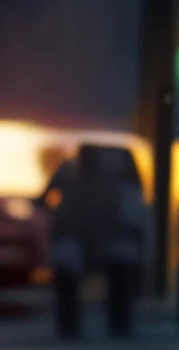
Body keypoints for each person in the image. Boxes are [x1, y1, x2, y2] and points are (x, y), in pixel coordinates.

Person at [44, 143, 146, 339]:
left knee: (113, 282)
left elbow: (44, 198)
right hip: (90, 238)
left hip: (88, 238)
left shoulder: (72, 175)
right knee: (116, 284)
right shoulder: (117, 181)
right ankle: (114, 327)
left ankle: (75, 328)